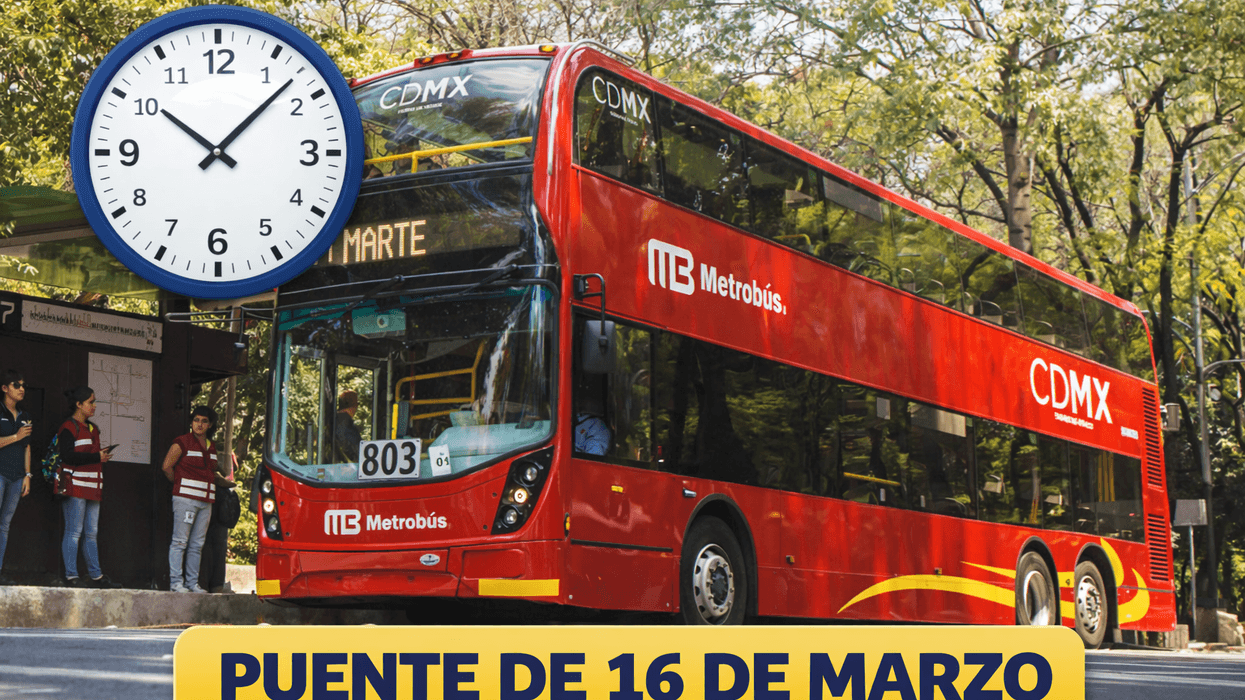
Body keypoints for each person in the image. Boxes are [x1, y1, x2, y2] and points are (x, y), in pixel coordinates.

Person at [162, 406, 232, 593]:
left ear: (210, 425)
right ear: (191, 422)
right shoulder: (182, 442)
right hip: (185, 499)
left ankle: (192, 584)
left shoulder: (210, 445)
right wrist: (179, 483)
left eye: (204, 421)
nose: (199, 424)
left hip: (206, 501)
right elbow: (167, 466)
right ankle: (176, 583)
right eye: (196, 420)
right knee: (179, 542)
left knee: (197, 545)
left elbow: (210, 472)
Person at [58, 386, 121, 588]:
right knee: (74, 532)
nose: (94, 406)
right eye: (90, 402)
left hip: (94, 486)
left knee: (91, 533)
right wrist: (96, 457)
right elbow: (66, 456)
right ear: (78, 404)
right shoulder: (68, 427)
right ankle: (71, 576)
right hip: (75, 485)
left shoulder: (93, 428)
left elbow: (87, 454)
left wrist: (100, 455)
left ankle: (96, 576)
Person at [0, 371, 33, 585]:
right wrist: (15, 437)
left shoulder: (24, 414)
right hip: (0, 473)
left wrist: (28, 474)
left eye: (23, 385)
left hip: (17, 476)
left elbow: (27, 446)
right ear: (4, 388)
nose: (21, 388)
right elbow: (19, 439)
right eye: (16, 384)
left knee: (4, 525)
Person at [198, 452, 237, 594]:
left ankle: (203, 584)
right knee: (219, 550)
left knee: (205, 549)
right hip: (221, 521)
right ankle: (216, 584)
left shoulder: (205, 479)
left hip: (209, 518)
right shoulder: (223, 486)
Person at [333, 390, 363, 463]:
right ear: (354, 406)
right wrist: (355, 459)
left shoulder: (336, 420)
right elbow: (346, 446)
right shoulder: (344, 422)